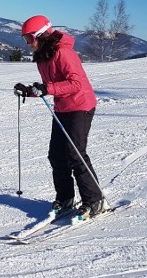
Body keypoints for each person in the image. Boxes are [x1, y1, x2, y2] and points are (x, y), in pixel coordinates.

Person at [14, 14, 106, 220]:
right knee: (56, 155)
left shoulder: (64, 53)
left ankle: (94, 200)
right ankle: (65, 199)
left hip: (80, 106)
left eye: (29, 39)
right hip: (62, 107)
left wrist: (47, 89)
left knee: (75, 154)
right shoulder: (44, 55)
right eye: (26, 40)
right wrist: (29, 90)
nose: (29, 44)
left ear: (41, 35)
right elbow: (49, 86)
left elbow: (76, 84)